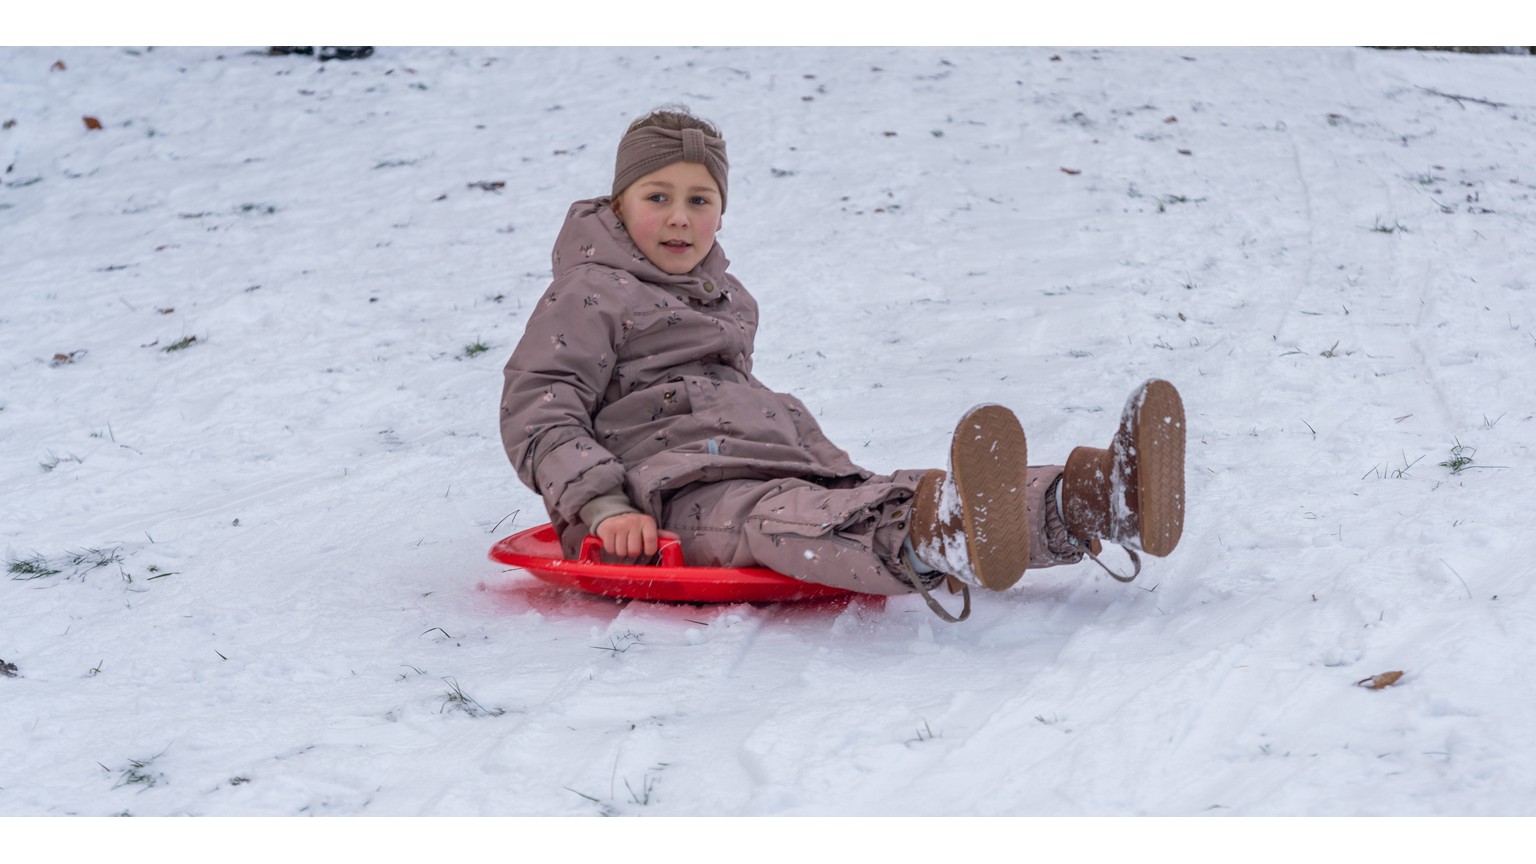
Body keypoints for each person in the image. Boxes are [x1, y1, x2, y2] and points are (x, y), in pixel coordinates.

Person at [500, 106, 1185, 622]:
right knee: (793, 521)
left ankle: (1092, 499)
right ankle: (934, 535)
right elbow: (541, 408)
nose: (679, 217)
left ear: (721, 214)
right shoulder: (589, 293)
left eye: (699, 200)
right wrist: (604, 506)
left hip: (776, 460)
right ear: (618, 206)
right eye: (658, 197)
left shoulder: (724, 296)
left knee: (877, 493)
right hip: (674, 494)